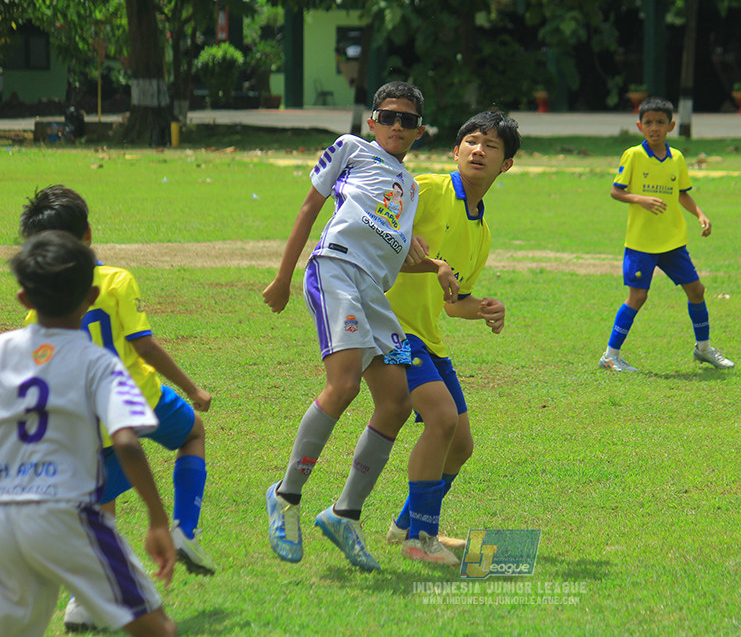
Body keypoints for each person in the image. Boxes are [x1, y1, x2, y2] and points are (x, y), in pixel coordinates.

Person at [263, 81, 459, 572]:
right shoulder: (351, 149)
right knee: (344, 383)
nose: (397, 125)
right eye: (389, 116)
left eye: (408, 120)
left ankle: (344, 514)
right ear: (372, 121)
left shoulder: (411, 189)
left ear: (418, 131)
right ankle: (286, 497)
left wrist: (432, 263)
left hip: (374, 293)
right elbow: (309, 209)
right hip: (336, 271)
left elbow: (395, 254)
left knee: (396, 401)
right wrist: (283, 278)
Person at [19, 186, 215, 631]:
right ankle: (184, 529)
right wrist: (191, 387)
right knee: (192, 433)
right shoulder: (115, 280)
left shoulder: (37, 310)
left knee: (101, 505)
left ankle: (80, 605)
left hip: (88, 423)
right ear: (87, 233)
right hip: (141, 400)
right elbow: (143, 345)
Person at [0, 230, 176, 637]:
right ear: (92, 296)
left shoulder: (4, 351)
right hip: (67, 513)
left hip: (5, 515)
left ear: (24, 300)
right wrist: (156, 518)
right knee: (159, 628)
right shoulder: (98, 363)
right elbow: (127, 442)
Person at [383, 110, 519, 565]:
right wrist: (420, 258)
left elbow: (453, 299)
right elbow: (380, 244)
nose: (480, 150)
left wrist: (483, 309)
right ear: (454, 150)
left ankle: (405, 522)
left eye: (492, 146)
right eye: (473, 141)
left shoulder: (481, 232)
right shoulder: (426, 190)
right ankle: (421, 539)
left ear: (507, 165)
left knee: (460, 445)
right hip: (389, 327)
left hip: (427, 336)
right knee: (441, 420)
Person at [598, 97, 734, 373]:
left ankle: (704, 349)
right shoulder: (633, 155)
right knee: (638, 296)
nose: (654, 127)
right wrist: (641, 200)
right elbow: (616, 191)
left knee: (696, 290)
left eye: (660, 122)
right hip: (641, 243)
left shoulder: (677, 158)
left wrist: (700, 214)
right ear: (640, 126)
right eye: (648, 122)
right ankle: (610, 356)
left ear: (671, 125)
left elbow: (682, 194)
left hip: (673, 241)